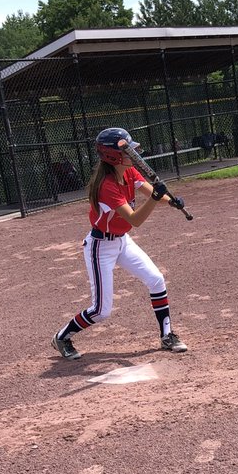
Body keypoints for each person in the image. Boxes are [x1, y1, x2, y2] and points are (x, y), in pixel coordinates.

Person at [52, 127, 188, 360]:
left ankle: (167, 335)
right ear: (113, 156)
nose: (133, 156)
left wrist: (171, 201)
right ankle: (62, 336)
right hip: (100, 247)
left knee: (156, 280)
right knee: (101, 311)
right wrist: (156, 199)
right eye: (128, 152)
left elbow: (151, 191)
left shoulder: (130, 172)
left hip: (122, 242)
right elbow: (135, 220)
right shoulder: (107, 186)